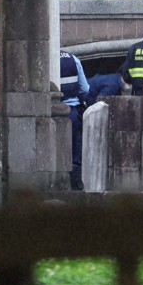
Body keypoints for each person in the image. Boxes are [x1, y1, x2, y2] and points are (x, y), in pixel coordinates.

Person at [60, 50, 90, 191]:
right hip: (72, 111)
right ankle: (74, 184)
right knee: (75, 152)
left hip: (50, 111)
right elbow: (85, 89)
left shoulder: (42, 58)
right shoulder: (73, 59)